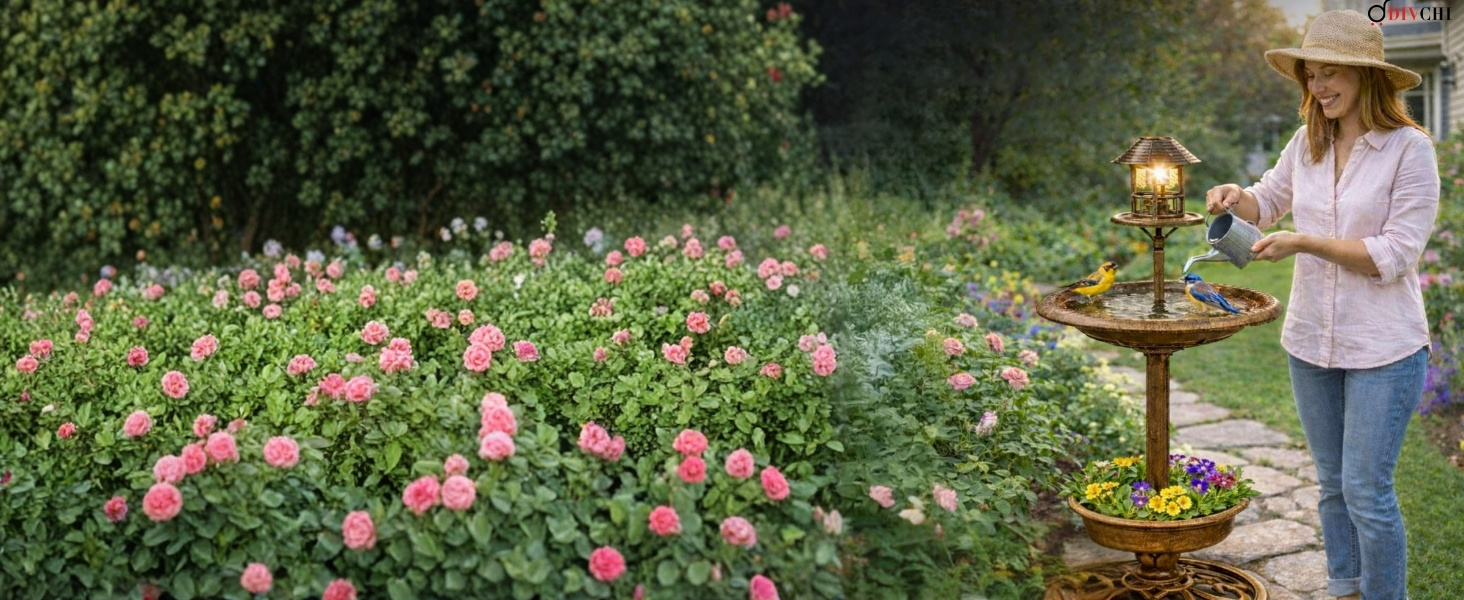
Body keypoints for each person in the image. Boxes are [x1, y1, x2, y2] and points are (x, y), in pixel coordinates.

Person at [1203, 10, 1438, 600]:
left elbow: (1395, 254)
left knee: (1366, 491)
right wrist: (1238, 197)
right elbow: (1267, 200)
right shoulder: (1307, 144)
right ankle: (1343, 588)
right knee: (1332, 485)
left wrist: (1306, 242)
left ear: (1367, 77)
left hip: (1383, 348)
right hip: (1310, 341)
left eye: (1331, 73)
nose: (1319, 87)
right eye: (1311, 74)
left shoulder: (1409, 151)